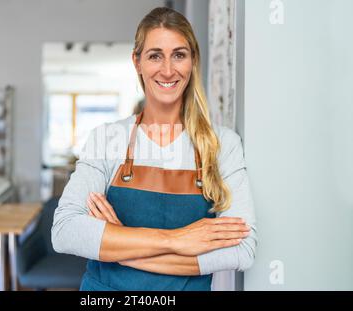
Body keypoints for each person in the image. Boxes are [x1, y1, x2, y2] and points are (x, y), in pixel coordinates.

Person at [51, 7, 257, 291]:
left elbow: (242, 250)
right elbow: (65, 232)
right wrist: (175, 240)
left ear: (193, 61)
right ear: (137, 62)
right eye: (155, 55)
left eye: (179, 55)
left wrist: (120, 245)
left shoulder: (223, 146)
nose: (168, 70)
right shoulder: (107, 139)